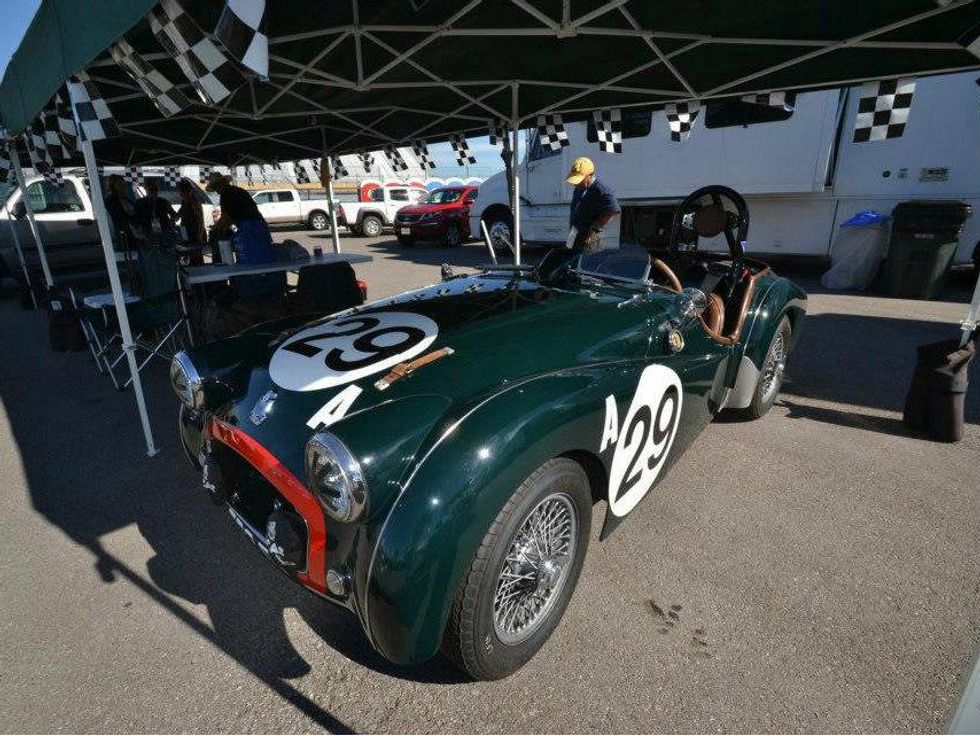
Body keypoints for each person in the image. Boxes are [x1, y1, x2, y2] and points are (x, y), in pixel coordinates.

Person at [565, 156, 621, 254]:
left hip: (589, 239)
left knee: (587, 264)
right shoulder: (579, 188)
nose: (575, 184)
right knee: (572, 261)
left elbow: (613, 210)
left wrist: (595, 229)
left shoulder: (601, 189)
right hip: (575, 234)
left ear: (590, 175)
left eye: (579, 180)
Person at [104, 174, 136, 245]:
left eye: (124, 185)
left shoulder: (126, 198)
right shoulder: (111, 200)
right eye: (120, 185)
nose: (123, 188)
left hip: (133, 233)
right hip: (123, 235)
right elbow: (119, 216)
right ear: (113, 187)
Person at [176, 179, 206, 244]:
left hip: (194, 233)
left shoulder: (194, 203)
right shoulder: (184, 202)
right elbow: (179, 214)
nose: (181, 195)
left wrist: (199, 236)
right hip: (185, 231)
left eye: (182, 193)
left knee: (194, 251)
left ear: (189, 192)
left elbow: (200, 220)